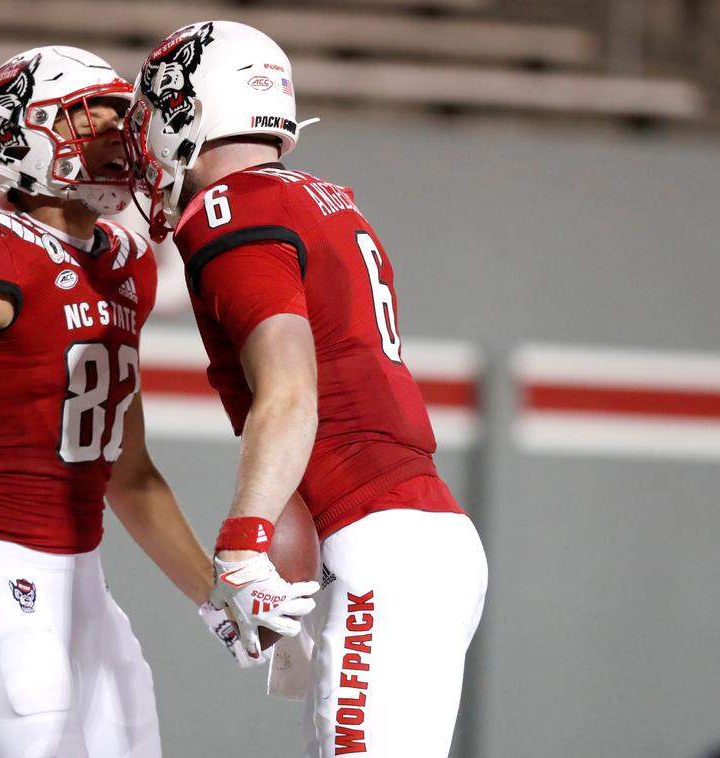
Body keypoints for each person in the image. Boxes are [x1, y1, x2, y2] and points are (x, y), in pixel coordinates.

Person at [0, 46, 257, 758]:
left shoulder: (125, 267)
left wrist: (213, 597)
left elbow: (129, 473)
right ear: (22, 134)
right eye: (89, 117)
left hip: (81, 580)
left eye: (120, 119)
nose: (115, 138)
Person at [125, 21, 489, 757]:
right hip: (414, 532)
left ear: (194, 107)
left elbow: (291, 392)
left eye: (160, 107)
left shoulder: (232, 212)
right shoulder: (320, 198)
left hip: (380, 539)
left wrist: (242, 545)